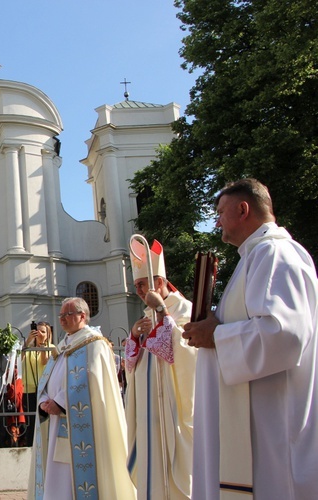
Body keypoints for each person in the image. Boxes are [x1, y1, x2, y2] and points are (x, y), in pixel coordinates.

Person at [182, 178, 318, 499]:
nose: (216, 221)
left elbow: (284, 334)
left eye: (220, 212)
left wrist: (216, 335)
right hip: (253, 426)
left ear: (243, 210)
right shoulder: (254, 258)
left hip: (270, 432)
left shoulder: (274, 255)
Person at [28, 297, 135, 500]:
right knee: (58, 476)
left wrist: (60, 402)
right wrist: (43, 400)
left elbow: (92, 380)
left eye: (67, 315)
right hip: (55, 420)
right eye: (60, 315)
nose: (62, 320)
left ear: (82, 316)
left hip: (82, 423)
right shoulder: (64, 345)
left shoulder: (95, 344)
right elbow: (47, 377)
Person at [125, 237, 196, 499]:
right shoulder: (145, 316)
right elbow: (134, 363)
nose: (139, 291)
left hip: (173, 407)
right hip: (148, 408)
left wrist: (164, 312)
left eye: (142, 284)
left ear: (159, 282)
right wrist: (134, 336)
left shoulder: (184, 308)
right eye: (136, 286)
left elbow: (189, 350)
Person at [21, 322, 54, 446]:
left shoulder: (51, 347)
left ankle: (47, 445)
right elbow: (21, 357)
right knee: (31, 422)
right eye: (38, 331)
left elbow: (44, 361)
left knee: (46, 421)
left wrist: (43, 347)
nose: (39, 333)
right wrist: (29, 341)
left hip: (46, 390)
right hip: (29, 390)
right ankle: (32, 446)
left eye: (43, 331)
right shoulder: (28, 348)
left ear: (48, 334)